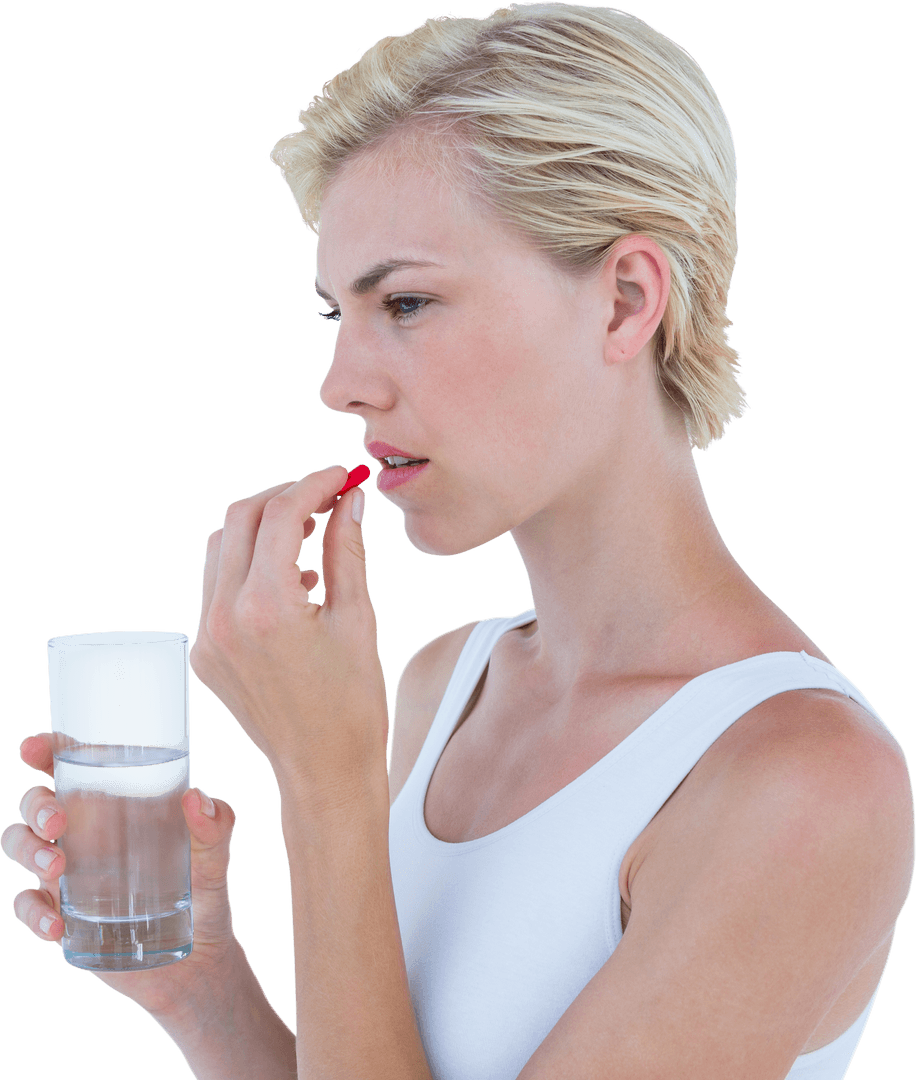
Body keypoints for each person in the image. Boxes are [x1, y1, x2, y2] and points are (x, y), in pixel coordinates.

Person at [4, 4, 914, 1078]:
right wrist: (204, 987)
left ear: (625, 301)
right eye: (333, 314)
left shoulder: (805, 782)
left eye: (407, 300)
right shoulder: (451, 680)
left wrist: (324, 774)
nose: (342, 383)